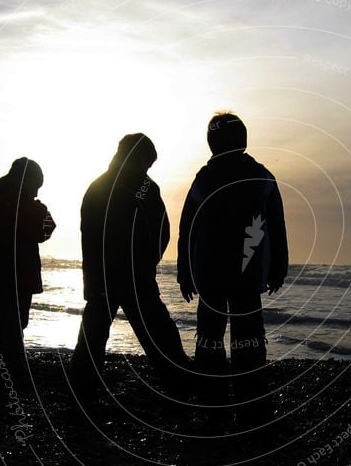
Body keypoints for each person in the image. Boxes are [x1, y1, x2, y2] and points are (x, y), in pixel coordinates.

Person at [177, 112, 288, 390]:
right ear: (243, 140)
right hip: (247, 273)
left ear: (211, 143)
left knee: (210, 337)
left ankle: (210, 392)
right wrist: (278, 268)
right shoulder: (262, 176)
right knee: (248, 335)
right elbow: (277, 226)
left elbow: (187, 229)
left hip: (210, 273)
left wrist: (185, 272)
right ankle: (250, 391)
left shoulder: (203, 178)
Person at [71, 133, 188, 394]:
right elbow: (162, 230)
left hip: (104, 276)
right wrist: (148, 263)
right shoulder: (144, 187)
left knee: (94, 335)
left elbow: (88, 237)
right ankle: (178, 383)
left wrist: (92, 277)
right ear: (140, 158)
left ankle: (82, 391)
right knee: (159, 332)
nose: (148, 168)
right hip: (135, 277)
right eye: (148, 162)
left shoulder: (97, 187)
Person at [0, 157, 55, 383]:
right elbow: (44, 231)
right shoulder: (22, 207)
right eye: (36, 186)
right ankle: (14, 375)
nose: (37, 192)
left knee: (5, 326)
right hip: (17, 275)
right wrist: (40, 211)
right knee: (12, 326)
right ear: (27, 182)